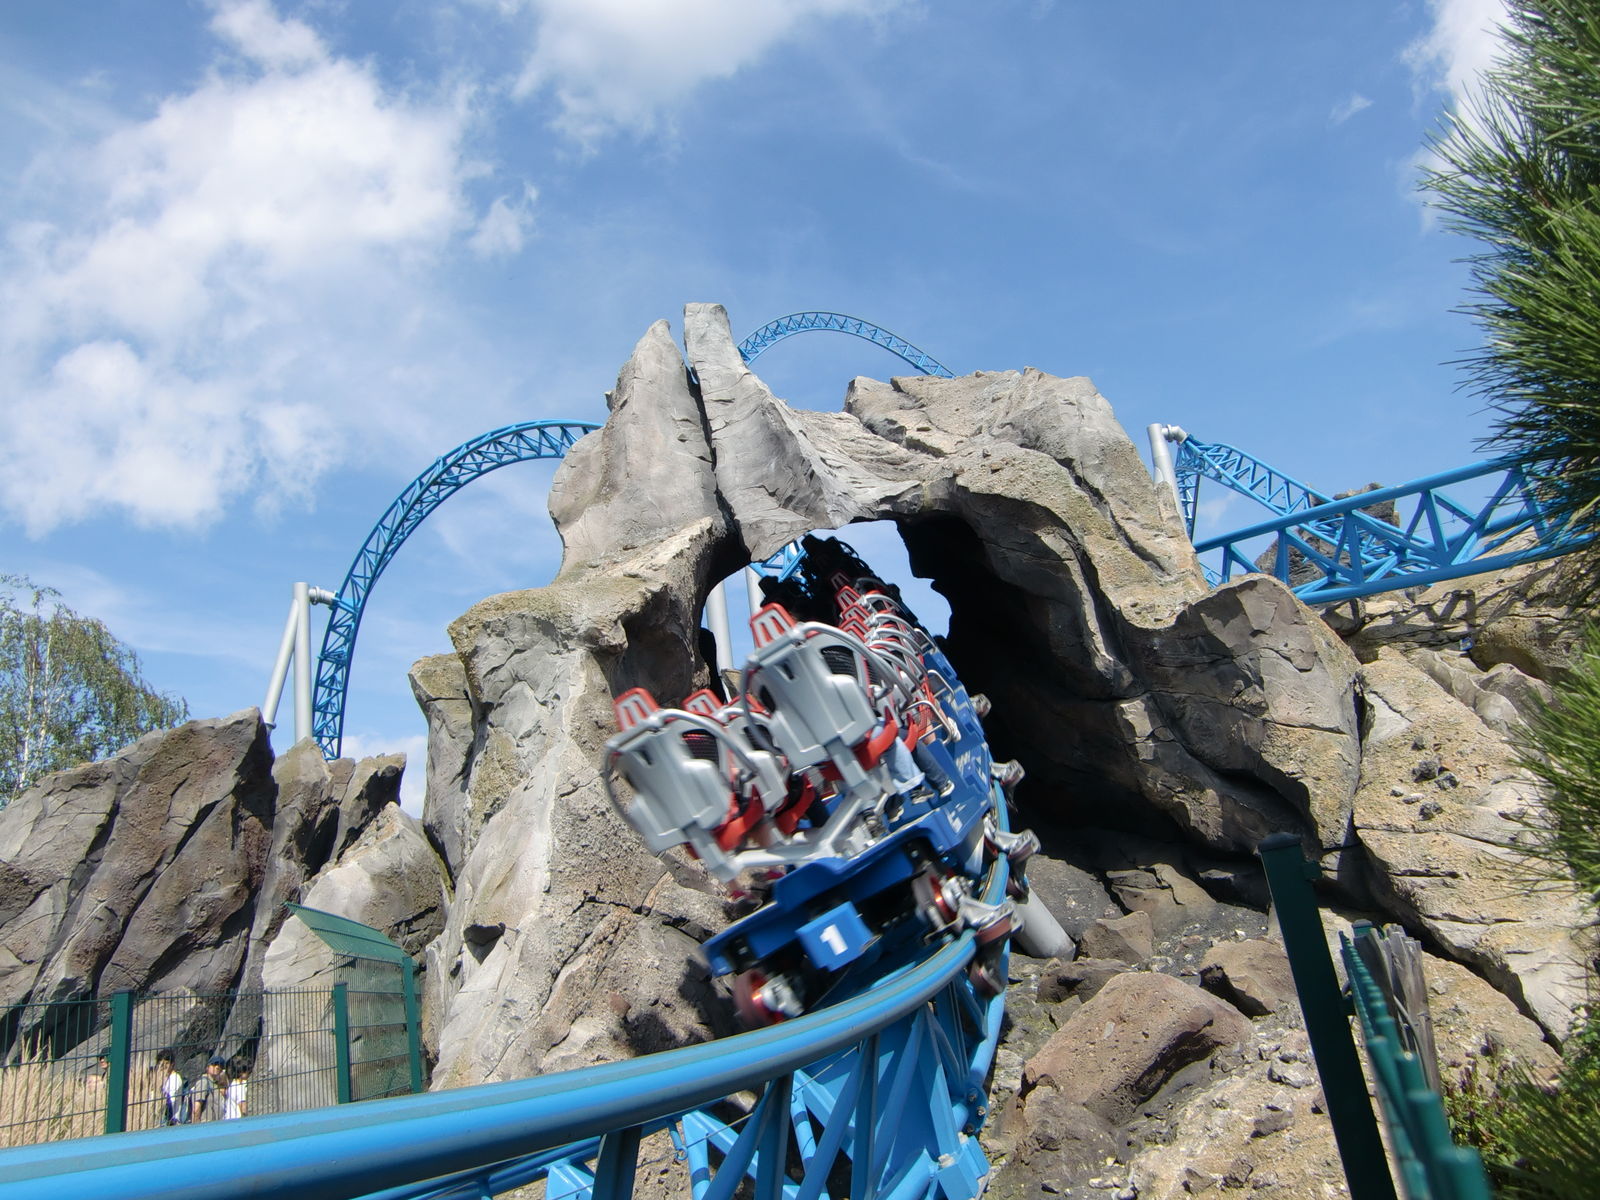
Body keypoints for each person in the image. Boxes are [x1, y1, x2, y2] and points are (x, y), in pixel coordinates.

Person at [190, 1055, 227, 1122]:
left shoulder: (215, 1084)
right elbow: (196, 1108)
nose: (217, 1067)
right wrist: (196, 1126)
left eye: (220, 1065)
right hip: (204, 1124)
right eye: (214, 1064)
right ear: (207, 1067)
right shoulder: (204, 1082)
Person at [152, 1050, 184, 1126]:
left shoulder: (175, 1078)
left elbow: (171, 1101)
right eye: (161, 1064)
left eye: (166, 1063)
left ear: (172, 1064)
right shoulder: (160, 1078)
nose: (163, 1066)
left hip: (171, 1122)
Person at [223, 1055, 250, 1119]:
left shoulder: (232, 1085)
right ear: (241, 1073)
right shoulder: (240, 1087)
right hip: (237, 1118)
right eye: (247, 1072)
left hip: (228, 1118)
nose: (248, 1074)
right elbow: (242, 1106)